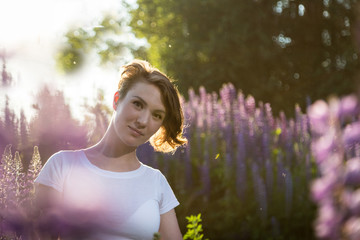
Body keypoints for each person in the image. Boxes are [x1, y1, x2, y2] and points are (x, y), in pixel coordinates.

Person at [34, 59, 187, 240]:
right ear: (117, 100)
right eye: (138, 104)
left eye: (156, 115)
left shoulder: (156, 183)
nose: (143, 121)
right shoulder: (62, 166)